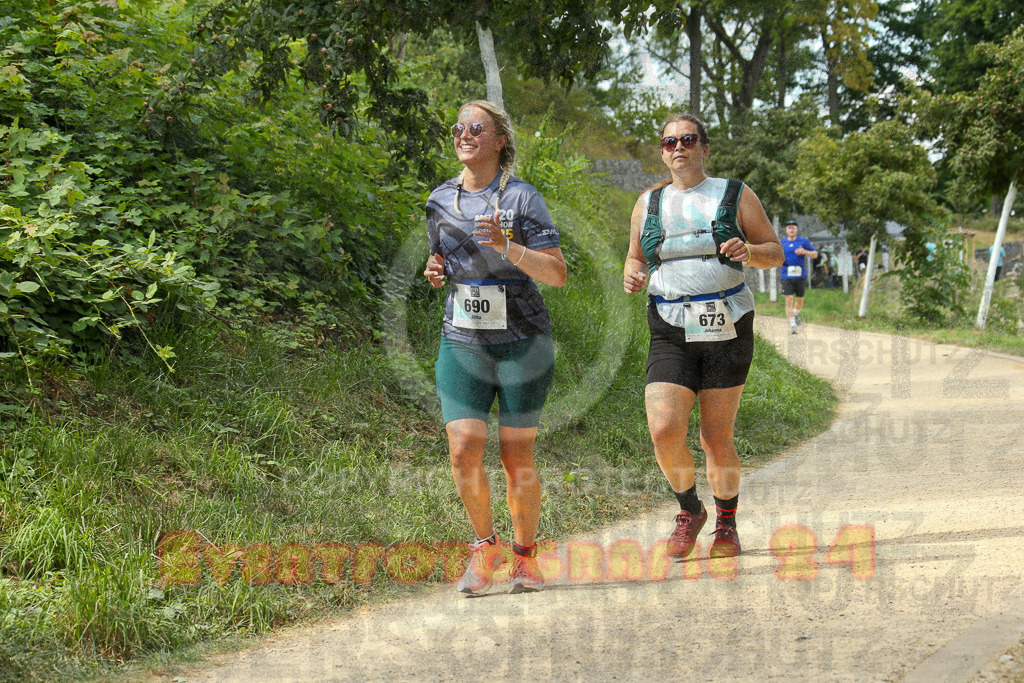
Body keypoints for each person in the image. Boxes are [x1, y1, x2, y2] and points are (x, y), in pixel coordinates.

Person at [622, 114, 783, 560]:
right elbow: (635, 259)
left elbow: (774, 251)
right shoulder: (648, 202)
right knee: (663, 428)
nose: (678, 147)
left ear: (704, 148)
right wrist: (632, 276)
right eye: (669, 141)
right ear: (662, 151)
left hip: (726, 322)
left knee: (715, 434)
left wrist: (749, 251)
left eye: (688, 139)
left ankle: (727, 525)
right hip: (670, 326)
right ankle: (690, 510)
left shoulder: (734, 193)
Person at [423, 100, 567, 595]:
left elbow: (558, 273)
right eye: (458, 127)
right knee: (463, 448)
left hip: (522, 343)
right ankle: (486, 549)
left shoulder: (524, 199)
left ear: (500, 140)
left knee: (514, 455)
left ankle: (525, 557)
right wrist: (435, 270)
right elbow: (440, 259)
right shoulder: (440, 199)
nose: (464, 134)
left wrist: (509, 247)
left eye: (476, 128)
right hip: (462, 340)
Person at [780, 220, 818, 334]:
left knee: (800, 301)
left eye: (794, 228)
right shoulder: (782, 243)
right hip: (786, 273)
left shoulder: (803, 241)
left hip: (800, 273)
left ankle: (795, 314)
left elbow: (815, 254)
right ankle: (792, 325)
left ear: (797, 230)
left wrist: (805, 251)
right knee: (789, 300)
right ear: (786, 230)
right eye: (789, 227)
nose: (791, 230)